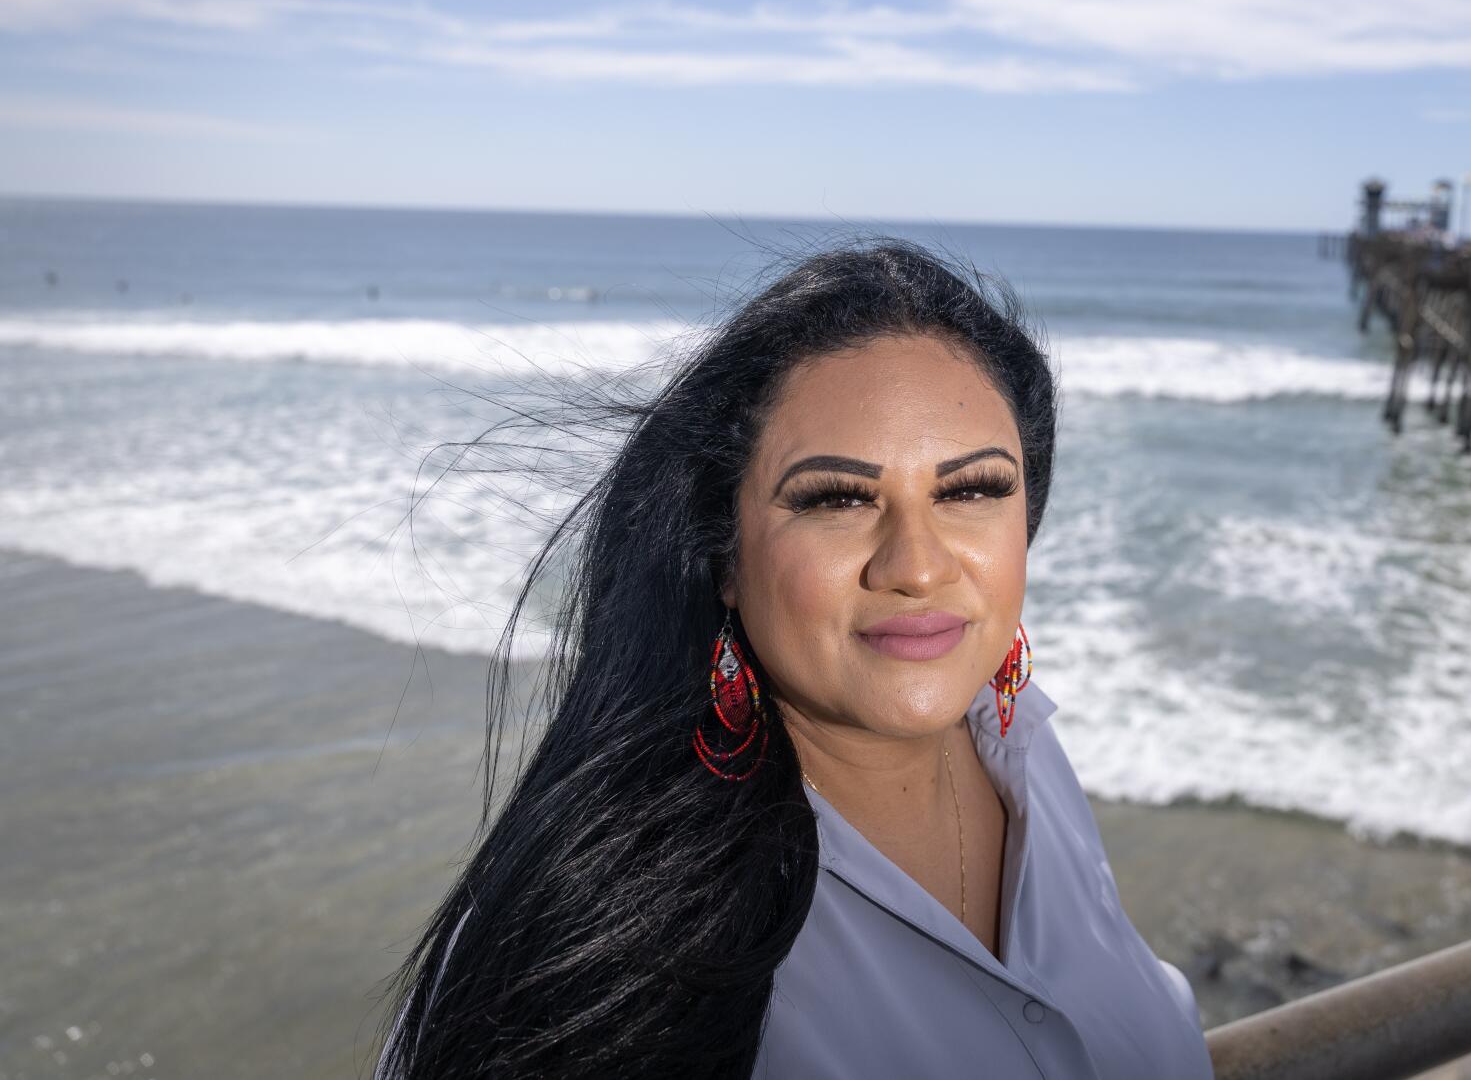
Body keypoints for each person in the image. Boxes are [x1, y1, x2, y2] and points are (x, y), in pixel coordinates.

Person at [371, 239, 1214, 1080]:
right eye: (837, 498)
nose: (917, 565)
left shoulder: (1027, 751)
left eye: (971, 489)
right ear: (726, 557)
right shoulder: (618, 938)